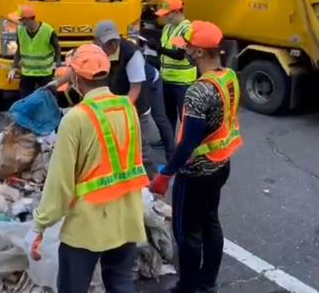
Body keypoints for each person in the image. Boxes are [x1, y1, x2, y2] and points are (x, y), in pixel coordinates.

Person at [26, 44, 149, 293]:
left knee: (73, 287)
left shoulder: (76, 118)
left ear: (75, 76)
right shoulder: (128, 108)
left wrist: (40, 226)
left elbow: (60, 182)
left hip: (88, 222)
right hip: (126, 215)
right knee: (121, 284)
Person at [148, 21, 243, 293]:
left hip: (197, 172)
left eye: (188, 47)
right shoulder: (228, 76)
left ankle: (188, 287)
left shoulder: (198, 91)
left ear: (199, 53)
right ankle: (208, 281)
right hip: (221, 163)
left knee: (186, 233)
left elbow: (188, 142)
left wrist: (166, 174)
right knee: (210, 221)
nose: (185, 51)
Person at [93, 20, 174, 178]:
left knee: (144, 139)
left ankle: (157, 180)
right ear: (96, 41)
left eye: (114, 41)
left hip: (147, 88)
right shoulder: (94, 51)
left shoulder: (132, 53)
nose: (112, 45)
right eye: (107, 42)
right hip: (122, 93)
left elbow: (135, 90)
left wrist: (118, 112)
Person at [153, 0, 197, 133]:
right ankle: (168, 139)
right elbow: (164, 50)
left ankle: (185, 144)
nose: (165, 18)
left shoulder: (187, 29)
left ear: (177, 12)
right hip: (166, 78)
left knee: (184, 116)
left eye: (167, 14)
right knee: (168, 113)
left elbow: (179, 55)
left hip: (182, 81)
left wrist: (158, 49)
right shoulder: (167, 28)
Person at [8, 5, 61, 98]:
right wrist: (14, 67)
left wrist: (58, 65)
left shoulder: (48, 30)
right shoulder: (20, 30)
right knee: (25, 100)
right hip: (27, 74)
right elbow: (19, 50)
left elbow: (57, 47)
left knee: (48, 99)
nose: (19, 22)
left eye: (21, 19)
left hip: (45, 74)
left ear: (28, 19)